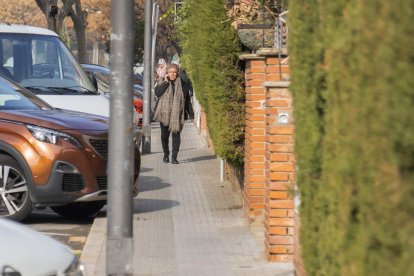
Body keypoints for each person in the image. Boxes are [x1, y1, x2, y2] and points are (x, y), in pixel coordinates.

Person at [154, 63, 194, 164]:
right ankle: (166, 154)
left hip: (177, 114)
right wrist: (166, 83)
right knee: (164, 136)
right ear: (167, 73)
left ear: (177, 73)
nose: (172, 74)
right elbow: (158, 93)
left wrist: (191, 114)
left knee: (176, 136)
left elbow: (187, 100)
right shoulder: (162, 81)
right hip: (164, 114)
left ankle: (174, 157)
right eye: (170, 72)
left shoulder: (182, 83)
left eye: (174, 72)